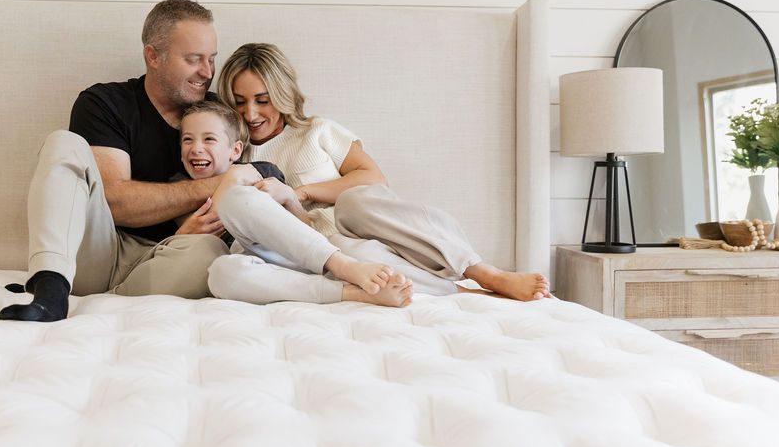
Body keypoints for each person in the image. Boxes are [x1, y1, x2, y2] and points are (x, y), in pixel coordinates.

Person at [212, 42, 553, 301]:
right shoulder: (232, 151)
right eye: (239, 102)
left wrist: (299, 193)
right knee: (229, 270)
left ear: (282, 94)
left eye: (262, 99)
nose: (251, 113)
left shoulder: (317, 131)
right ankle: (457, 294)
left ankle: (482, 273)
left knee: (355, 204)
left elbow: (374, 179)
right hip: (298, 255)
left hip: (348, 235)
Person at [0, 0, 259, 322]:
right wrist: (222, 181)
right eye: (193, 60)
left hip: (169, 260)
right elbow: (116, 202)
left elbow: (261, 176)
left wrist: (183, 237)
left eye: (211, 59)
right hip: (99, 253)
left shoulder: (217, 115)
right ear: (153, 56)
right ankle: (50, 289)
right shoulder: (105, 104)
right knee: (62, 143)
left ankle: (114, 300)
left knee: (209, 253)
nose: (207, 73)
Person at [174, 100, 413, 307]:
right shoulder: (177, 188)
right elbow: (179, 252)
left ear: (235, 150)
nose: (196, 149)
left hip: (295, 251)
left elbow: (303, 227)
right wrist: (185, 233)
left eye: (209, 139)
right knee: (220, 274)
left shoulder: (256, 171)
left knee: (235, 199)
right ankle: (350, 293)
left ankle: (343, 266)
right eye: (187, 140)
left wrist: (241, 183)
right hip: (266, 269)